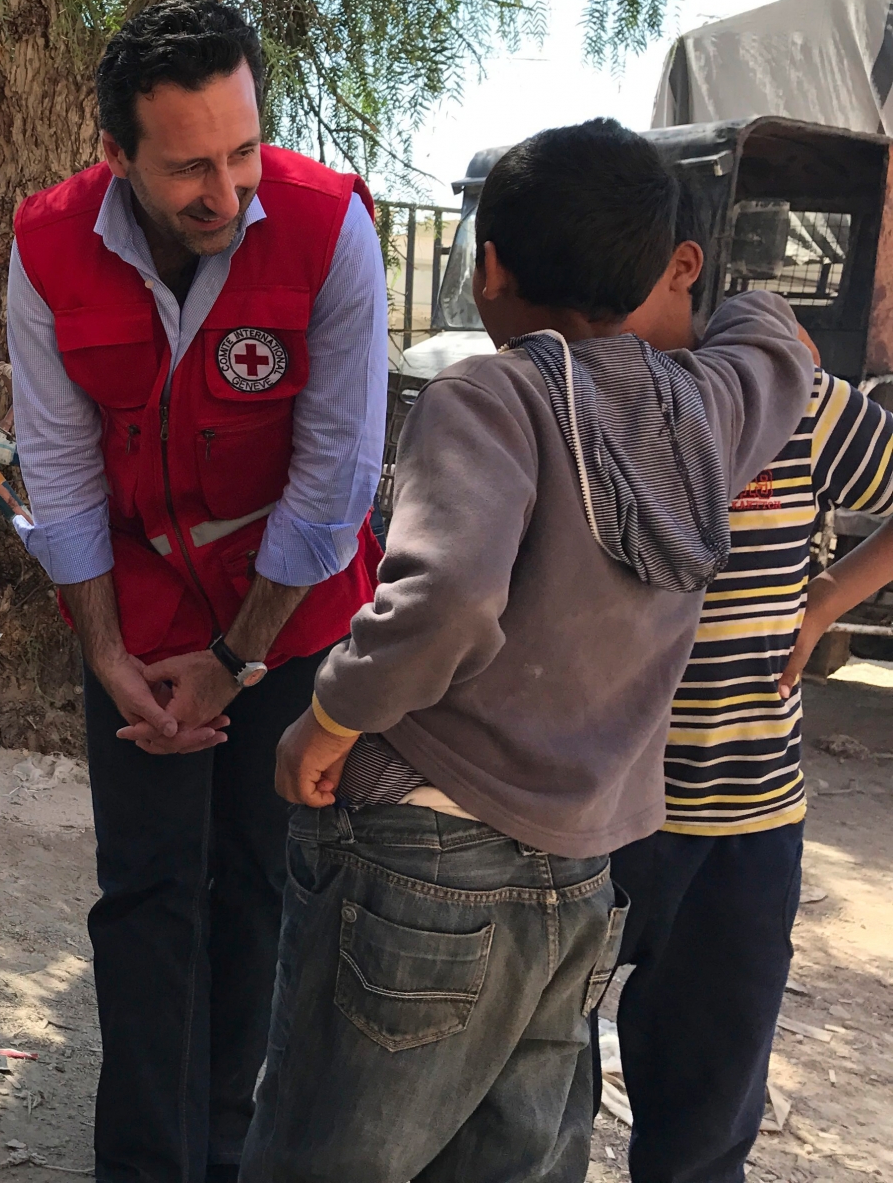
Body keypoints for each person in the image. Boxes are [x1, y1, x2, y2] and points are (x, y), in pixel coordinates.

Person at [243, 120, 813, 1182]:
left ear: (489, 265)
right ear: (662, 271)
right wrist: (667, 299)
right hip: (582, 873)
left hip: (422, 856)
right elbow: (776, 337)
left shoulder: (486, 397)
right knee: (513, 1161)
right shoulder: (708, 410)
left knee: (329, 1153)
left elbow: (446, 597)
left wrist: (328, 721)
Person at [7, 0, 388, 1183]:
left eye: (241, 152)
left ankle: (228, 1152)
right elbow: (61, 473)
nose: (225, 193)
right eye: (187, 169)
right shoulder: (46, 246)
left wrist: (234, 660)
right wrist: (105, 649)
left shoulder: (331, 227)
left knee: (262, 886)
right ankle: (144, 1161)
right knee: (147, 893)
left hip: (291, 613)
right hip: (133, 617)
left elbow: (334, 483)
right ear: (115, 151)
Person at [604, 188, 893, 1183]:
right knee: (534, 1078)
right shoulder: (577, 401)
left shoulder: (796, 405)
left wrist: (820, 605)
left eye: (616, 274)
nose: (590, 302)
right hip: (592, 820)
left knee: (706, 1102)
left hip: (743, 822)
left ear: (683, 266)